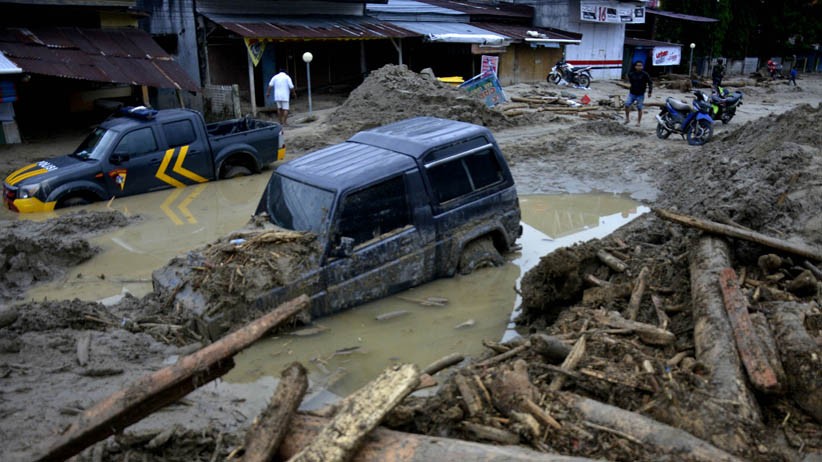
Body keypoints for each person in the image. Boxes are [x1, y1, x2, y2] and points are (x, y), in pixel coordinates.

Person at [624, 61, 653, 126]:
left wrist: (650, 91)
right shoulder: (632, 74)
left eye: (641, 65)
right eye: (638, 65)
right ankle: (627, 119)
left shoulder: (645, 74)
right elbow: (629, 80)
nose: (639, 67)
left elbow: (650, 82)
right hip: (632, 93)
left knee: (639, 108)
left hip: (640, 94)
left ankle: (638, 122)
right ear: (635, 66)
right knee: (627, 104)